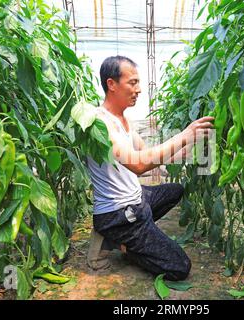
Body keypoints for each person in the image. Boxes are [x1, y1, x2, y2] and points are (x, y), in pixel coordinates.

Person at [86, 56, 214, 281]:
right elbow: (138, 164)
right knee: (179, 267)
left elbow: (147, 157)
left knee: (175, 190)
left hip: (137, 200)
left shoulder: (123, 121)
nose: (139, 89)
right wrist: (183, 136)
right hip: (118, 214)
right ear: (111, 84)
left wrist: (179, 154)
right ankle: (122, 243)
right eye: (132, 82)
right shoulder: (100, 123)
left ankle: (135, 236)